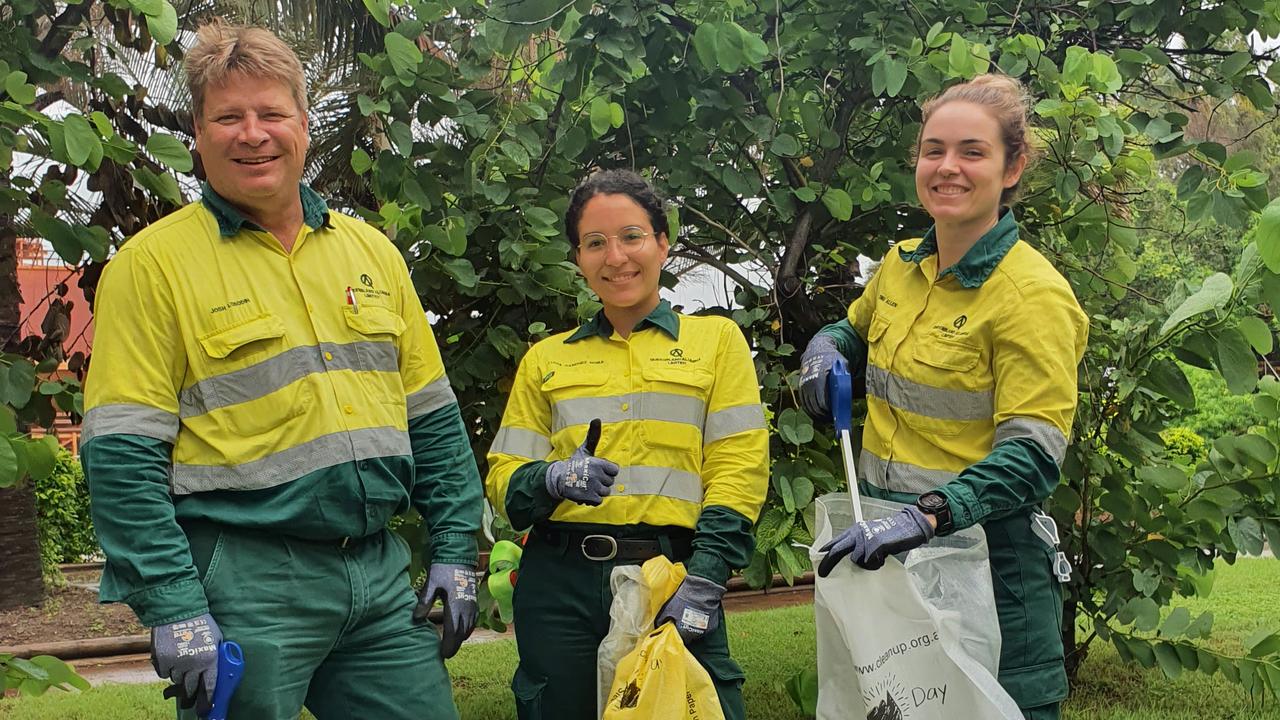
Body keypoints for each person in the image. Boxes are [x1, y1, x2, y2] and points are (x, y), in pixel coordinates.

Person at [81, 20, 482, 720]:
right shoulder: (150, 268)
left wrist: (454, 548)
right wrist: (174, 605)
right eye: (227, 117)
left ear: (303, 122)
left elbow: (433, 419)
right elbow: (122, 457)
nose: (252, 133)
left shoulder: (371, 253)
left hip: (380, 578)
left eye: (271, 113)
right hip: (245, 583)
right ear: (198, 136)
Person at [799, 74, 1088, 720]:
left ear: (1013, 167)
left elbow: (1034, 454)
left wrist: (926, 517)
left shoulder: (1031, 296)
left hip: (987, 566)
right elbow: (854, 329)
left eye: (972, 152)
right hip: (891, 563)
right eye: (934, 150)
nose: (947, 167)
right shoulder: (900, 265)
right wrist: (825, 347)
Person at [485, 169, 768, 719]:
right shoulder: (546, 358)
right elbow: (504, 479)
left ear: (663, 242)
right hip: (558, 583)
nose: (615, 257)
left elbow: (739, 466)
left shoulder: (715, 341)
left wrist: (708, 572)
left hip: (670, 575)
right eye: (595, 243)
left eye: (632, 236)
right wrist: (547, 479)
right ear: (578, 258)